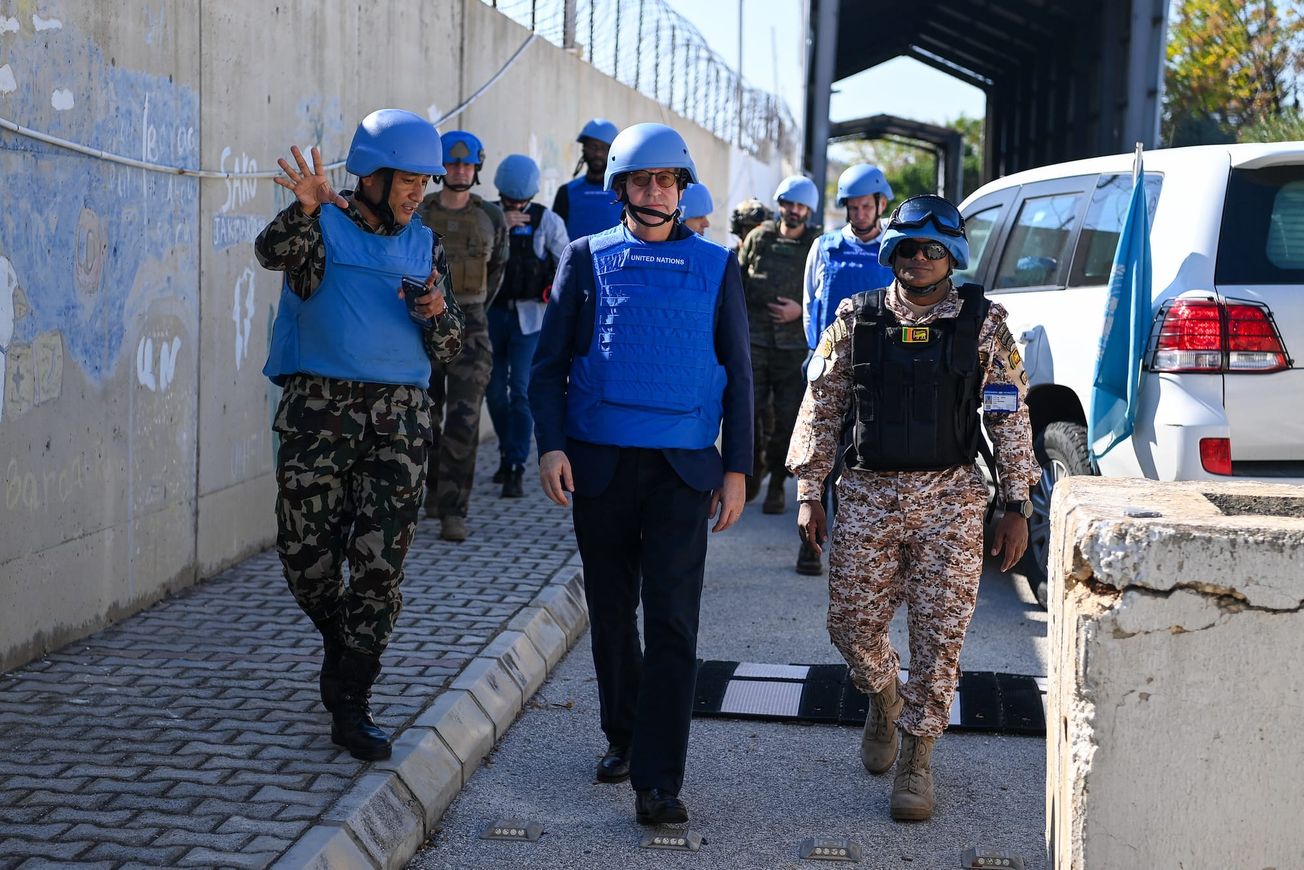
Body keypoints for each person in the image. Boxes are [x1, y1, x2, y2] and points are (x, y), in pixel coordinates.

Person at [787, 194, 1039, 822]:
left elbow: (1009, 414)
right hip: (869, 495)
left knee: (940, 638)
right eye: (907, 247)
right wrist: (809, 491)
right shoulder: (856, 317)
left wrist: (1016, 504)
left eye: (932, 249)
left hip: (952, 500)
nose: (919, 259)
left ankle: (918, 757)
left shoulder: (985, 323)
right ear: (890, 251)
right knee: (849, 626)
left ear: (951, 254)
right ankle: (882, 694)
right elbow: (821, 407)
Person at [530, 122, 752, 826]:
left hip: (683, 472)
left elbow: (741, 378)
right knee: (612, 618)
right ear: (620, 188)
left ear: (681, 189)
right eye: (640, 180)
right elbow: (548, 368)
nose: (654, 191)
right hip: (598, 465)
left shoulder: (718, 267)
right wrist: (551, 446)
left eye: (666, 181)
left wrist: (739, 467)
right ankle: (623, 737)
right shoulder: (587, 258)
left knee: (674, 623)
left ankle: (658, 781)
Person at [257, 109, 465, 761]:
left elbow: (451, 346)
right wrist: (308, 210)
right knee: (304, 558)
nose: (418, 194)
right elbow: (270, 253)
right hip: (318, 416)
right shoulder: (321, 228)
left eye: (425, 183)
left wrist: (436, 315)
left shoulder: (425, 245)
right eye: (408, 180)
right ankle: (340, 641)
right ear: (372, 177)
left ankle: (352, 702)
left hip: (399, 424)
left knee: (380, 569)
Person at [794, 163, 896, 575]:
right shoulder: (825, 247)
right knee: (818, 457)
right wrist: (815, 355)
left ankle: (862, 554)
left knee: (864, 463)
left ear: (880, 204)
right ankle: (809, 545)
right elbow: (809, 304)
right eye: (851, 208)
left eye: (864, 207)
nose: (858, 214)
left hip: (877, 370)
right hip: (829, 366)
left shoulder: (894, 247)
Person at [415, 131, 508, 541]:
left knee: (464, 420)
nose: (459, 171)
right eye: (452, 164)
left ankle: (455, 510)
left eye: (467, 165)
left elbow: (498, 271)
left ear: (477, 169)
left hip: (471, 325)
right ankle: (429, 498)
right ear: (440, 168)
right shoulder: (419, 213)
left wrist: (470, 311)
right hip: (420, 325)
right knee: (424, 417)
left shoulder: (491, 216)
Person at [738, 175, 821, 516]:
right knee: (750, 413)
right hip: (755, 341)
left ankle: (775, 483)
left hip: (793, 348)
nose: (793, 211)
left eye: (800, 206)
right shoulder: (759, 238)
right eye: (788, 204)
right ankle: (751, 470)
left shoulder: (817, 244)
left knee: (787, 419)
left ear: (809, 210)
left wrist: (801, 310)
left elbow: (823, 290)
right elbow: (737, 283)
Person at [487, 154, 569, 498]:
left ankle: (516, 463)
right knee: (492, 390)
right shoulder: (487, 215)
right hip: (491, 314)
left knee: (520, 389)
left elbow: (566, 261)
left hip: (529, 319)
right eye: (510, 201)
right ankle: (508, 450)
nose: (517, 205)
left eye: (522, 201)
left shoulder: (547, 220)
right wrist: (497, 225)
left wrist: (551, 290)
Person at [552, 118, 625, 241]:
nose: (598, 154)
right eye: (593, 147)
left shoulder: (625, 191)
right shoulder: (566, 192)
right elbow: (553, 238)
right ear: (583, 149)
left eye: (604, 148)